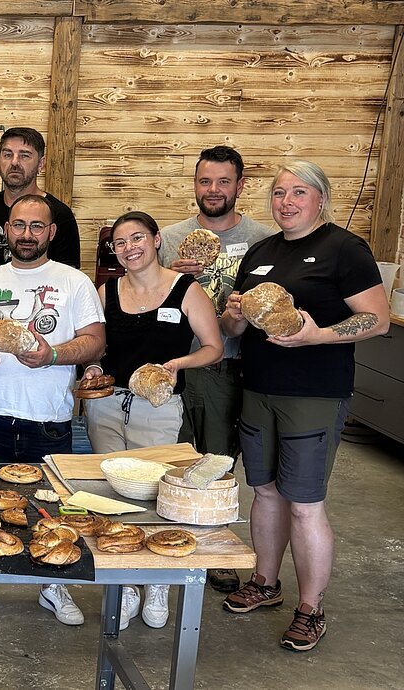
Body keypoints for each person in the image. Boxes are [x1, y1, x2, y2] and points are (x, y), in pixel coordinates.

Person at [220, 161, 388, 652]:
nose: (287, 202)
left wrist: (319, 336)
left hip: (314, 393)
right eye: (279, 193)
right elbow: (234, 328)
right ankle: (265, 582)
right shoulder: (261, 251)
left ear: (321, 199)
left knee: (305, 504)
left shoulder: (344, 248)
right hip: (259, 388)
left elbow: (376, 319)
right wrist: (234, 316)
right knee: (265, 493)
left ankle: (311, 608)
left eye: (298, 192)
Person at [0, 195, 105, 622]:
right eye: (19, 225)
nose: (27, 234)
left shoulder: (74, 282)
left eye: (37, 226)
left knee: (50, 507)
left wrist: (53, 355)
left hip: (49, 417)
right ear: (7, 229)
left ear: (51, 232)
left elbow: (95, 342)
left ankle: (54, 584)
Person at [80, 211, 223, 629]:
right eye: (120, 243)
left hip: (158, 406)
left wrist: (179, 364)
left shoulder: (186, 290)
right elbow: (94, 345)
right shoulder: (105, 291)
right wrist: (91, 367)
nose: (129, 248)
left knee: (155, 493)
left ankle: (157, 581)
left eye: (137, 238)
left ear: (157, 239)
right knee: (112, 494)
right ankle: (125, 584)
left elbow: (213, 347)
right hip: (108, 405)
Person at [158, 146, 278, 593]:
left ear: (240, 185)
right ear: (194, 184)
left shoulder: (264, 239)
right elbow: (144, 294)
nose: (213, 190)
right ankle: (169, 537)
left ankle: (213, 544)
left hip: (229, 364)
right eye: (205, 181)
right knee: (172, 455)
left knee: (217, 460)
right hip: (174, 363)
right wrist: (170, 276)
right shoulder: (171, 238)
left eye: (223, 181)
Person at [0, 127, 82, 457]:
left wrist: (0, 276)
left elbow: (63, 283)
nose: (15, 163)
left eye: (25, 155)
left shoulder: (60, 215)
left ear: (41, 162)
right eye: (7, 154)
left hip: (38, 364)